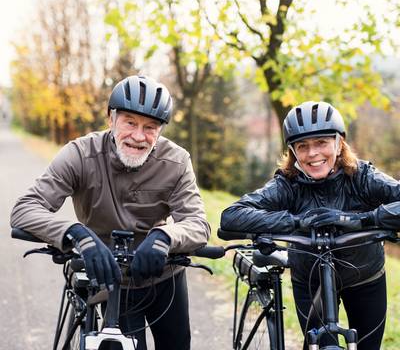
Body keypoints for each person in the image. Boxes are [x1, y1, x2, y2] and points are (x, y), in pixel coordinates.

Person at [11, 75, 210, 350]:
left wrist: (165, 236)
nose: (139, 136)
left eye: (150, 127)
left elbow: (198, 223)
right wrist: (76, 234)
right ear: (111, 119)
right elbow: (24, 209)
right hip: (110, 276)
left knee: (177, 344)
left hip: (164, 276)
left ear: (161, 131)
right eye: (130, 122)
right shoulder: (80, 154)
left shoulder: (176, 161)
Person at [220, 100, 400, 350]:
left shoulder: (361, 177)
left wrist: (362, 219)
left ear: (339, 143)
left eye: (321, 143)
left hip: (364, 276)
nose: (312, 153)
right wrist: (296, 221)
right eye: (302, 146)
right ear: (293, 151)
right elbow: (231, 216)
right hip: (310, 279)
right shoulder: (287, 184)